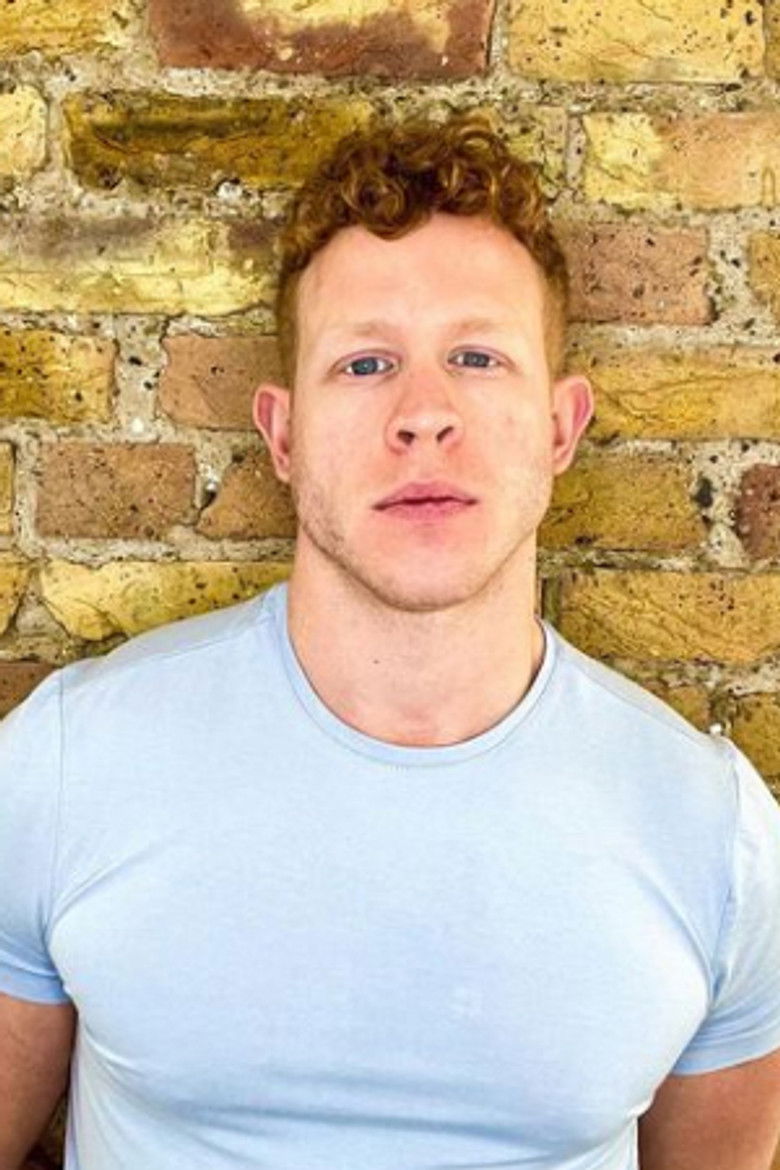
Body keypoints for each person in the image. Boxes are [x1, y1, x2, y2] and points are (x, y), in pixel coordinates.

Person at [2, 111, 780, 1170]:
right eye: (366, 363)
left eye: (477, 356)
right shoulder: (67, 765)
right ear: (283, 434)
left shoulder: (713, 832)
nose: (423, 414)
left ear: (560, 428)